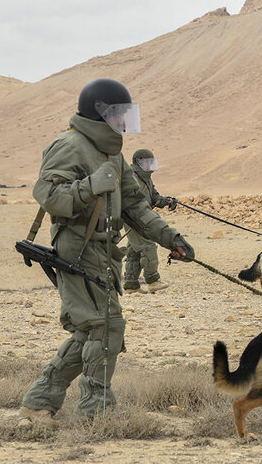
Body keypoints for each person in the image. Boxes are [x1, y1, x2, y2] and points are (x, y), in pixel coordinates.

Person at [19, 78, 194, 428]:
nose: (123, 123)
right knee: (106, 326)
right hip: (77, 247)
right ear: (99, 114)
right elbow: (48, 194)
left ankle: (39, 403)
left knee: (91, 330)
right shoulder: (69, 145)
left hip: (104, 249)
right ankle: (96, 412)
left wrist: (169, 236)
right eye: (117, 115)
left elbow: (134, 205)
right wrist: (88, 188)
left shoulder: (111, 153)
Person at [122, 148, 177, 292]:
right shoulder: (131, 177)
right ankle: (152, 280)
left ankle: (130, 284)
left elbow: (155, 198)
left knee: (134, 251)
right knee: (148, 247)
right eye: (146, 163)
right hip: (134, 219)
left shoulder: (146, 179)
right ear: (138, 162)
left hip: (143, 219)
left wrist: (167, 201)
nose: (149, 166)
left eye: (150, 163)